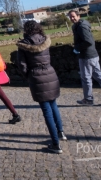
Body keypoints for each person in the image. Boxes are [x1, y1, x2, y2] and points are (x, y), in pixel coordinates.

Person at [16, 20, 67, 154]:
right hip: (50, 73)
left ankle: (55, 144)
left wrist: (28, 76)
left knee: (47, 111)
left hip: (36, 75)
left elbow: (22, 65)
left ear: (26, 29)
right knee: (53, 104)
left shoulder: (24, 44)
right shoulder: (45, 40)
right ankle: (61, 132)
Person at [68, 10, 101, 106]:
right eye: (70, 17)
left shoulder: (81, 26)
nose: (72, 18)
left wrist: (77, 48)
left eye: (73, 16)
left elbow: (88, 41)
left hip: (86, 56)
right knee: (100, 77)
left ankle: (88, 99)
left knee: (86, 78)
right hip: (93, 55)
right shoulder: (81, 25)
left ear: (78, 16)